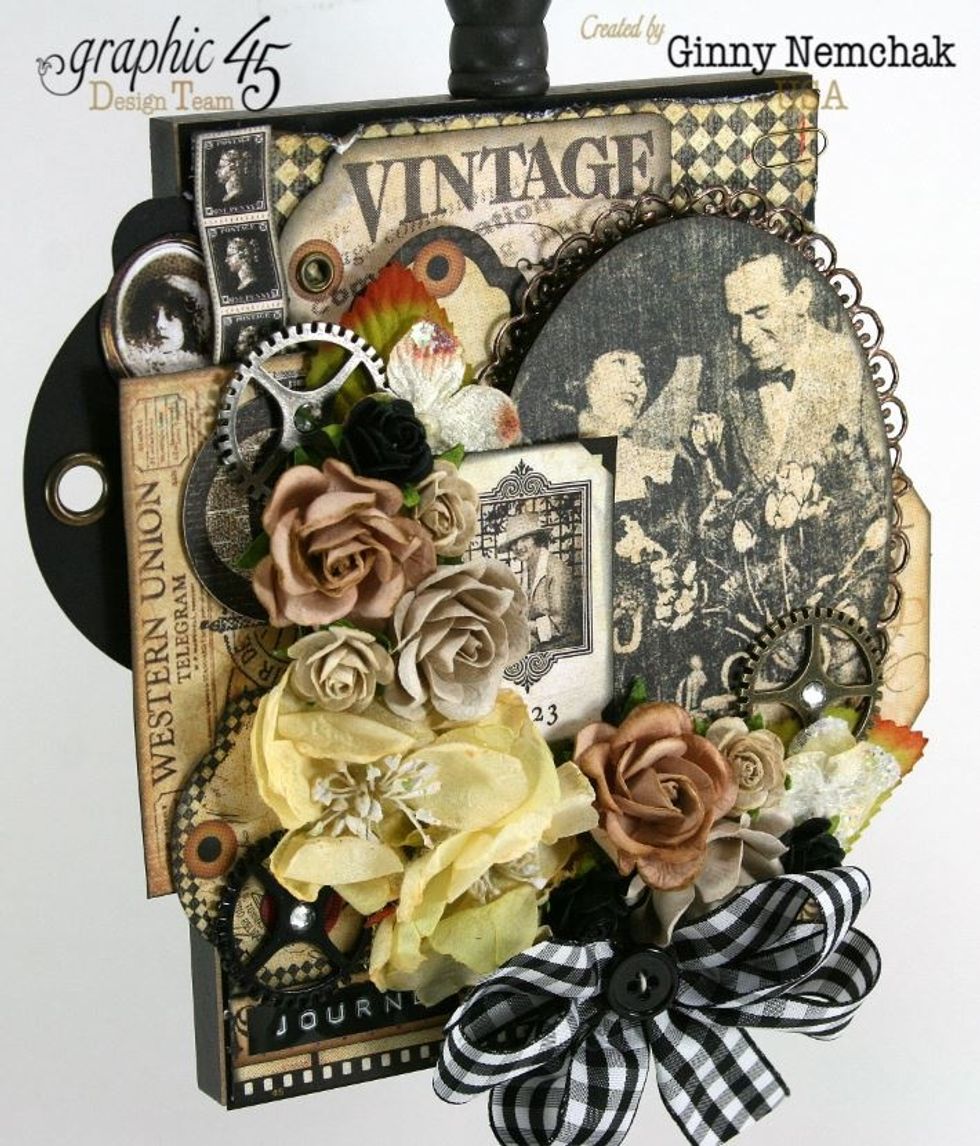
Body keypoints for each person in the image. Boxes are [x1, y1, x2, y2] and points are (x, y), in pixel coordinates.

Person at [720, 250, 869, 486]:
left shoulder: (857, 366)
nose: (745, 336)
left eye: (760, 313)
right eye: (734, 321)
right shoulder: (735, 396)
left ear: (801, 297)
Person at [577, 348, 702, 502]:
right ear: (583, 379)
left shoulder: (669, 472)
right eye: (620, 362)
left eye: (642, 371)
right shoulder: (556, 463)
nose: (637, 379)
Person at [498, 512, 577, 647]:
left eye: (525, 539)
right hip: (539, 639)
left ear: (536, 539)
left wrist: (522, 625)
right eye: (514, 542)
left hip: (562, 642)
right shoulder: (528, 569)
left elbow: (560, 625)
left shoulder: (556, 570)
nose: (518, 547)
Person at [122, 275, 211, 375]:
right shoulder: (135, 362)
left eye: (170, 315)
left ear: (189, 323)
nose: (159, 325)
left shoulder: (204, 366)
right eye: (153, 316)